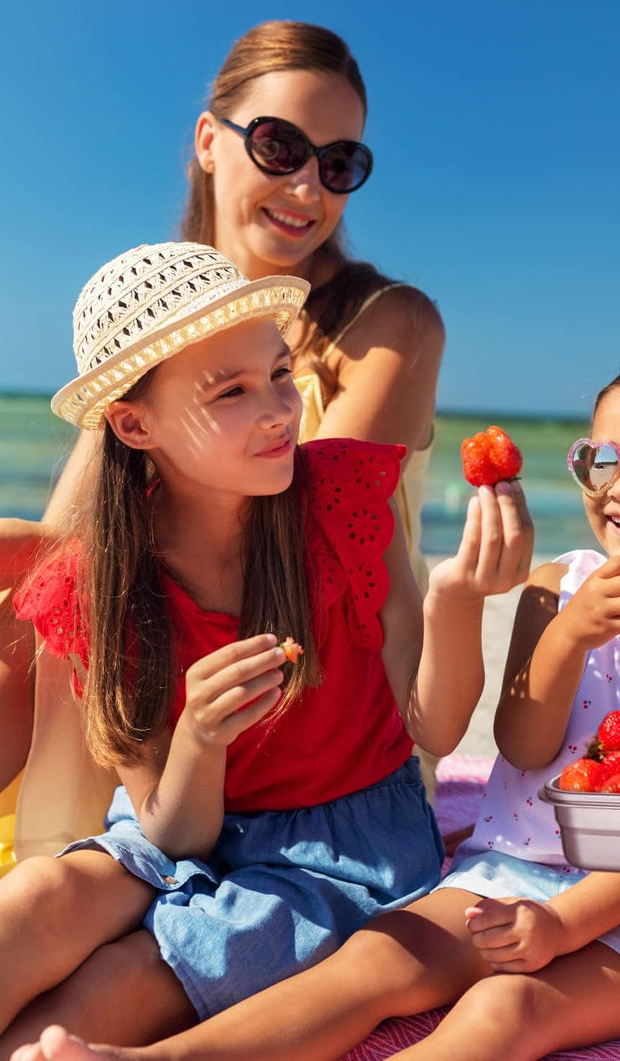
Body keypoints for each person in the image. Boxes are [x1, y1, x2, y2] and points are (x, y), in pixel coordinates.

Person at [11, 352, 620, 1061]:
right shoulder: (558, 591)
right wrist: (570, 635)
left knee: (502, 1011)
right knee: (373, 962)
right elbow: (524, 741)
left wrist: (564, 927)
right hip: (508, 871)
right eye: (599, 460)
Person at [0, 240, 532, 1055]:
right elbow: (172, 835)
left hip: (342, 849)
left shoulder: (348, 499)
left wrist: (460, 600)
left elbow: (432, 727)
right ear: (134, 423)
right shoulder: (98, 582)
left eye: (280, 374)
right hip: (182, 829)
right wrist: (201, 741)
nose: (281, 408)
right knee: (44, 893)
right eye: (232, 392)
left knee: (137, 977)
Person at [2, 19, 446, 866]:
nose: (310, 188)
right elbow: (73, 543)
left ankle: (50, 858)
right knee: (43, 616)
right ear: (211, 140)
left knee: (71, 609)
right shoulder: (154, 336)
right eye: (281, 146)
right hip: (190, 707)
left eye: (340, 162)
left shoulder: (391, 323)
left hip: (323, 720)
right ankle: (47, 867)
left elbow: (290, 514)